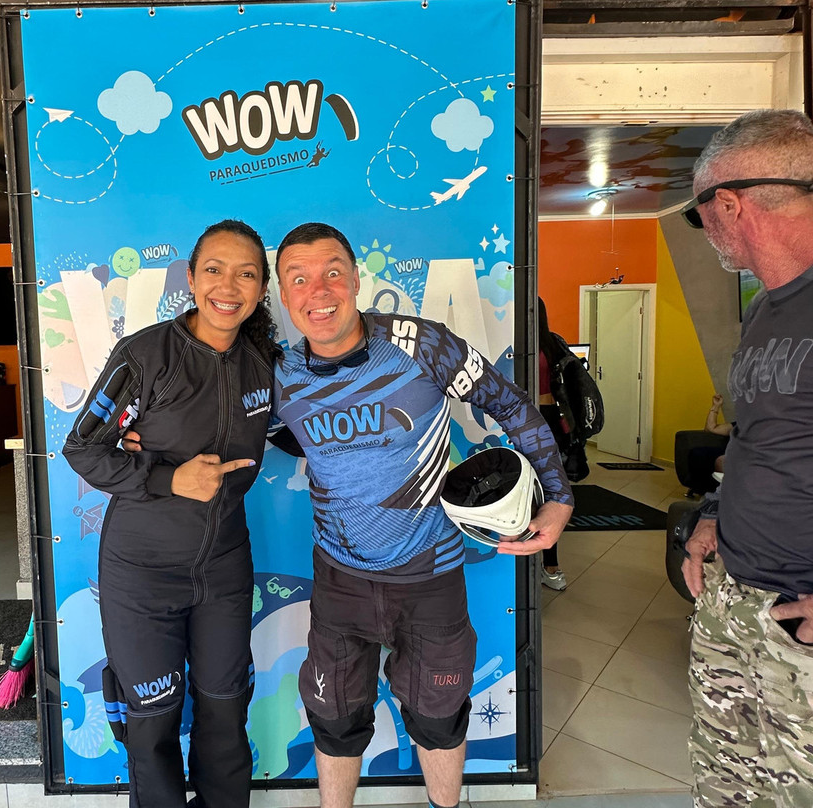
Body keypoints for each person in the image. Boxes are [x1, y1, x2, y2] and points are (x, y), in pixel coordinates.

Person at [270, 222, 573, 808]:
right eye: (298, 279)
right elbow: (271, 433)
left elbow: (509, 403)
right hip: (340, 577)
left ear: (356, 280)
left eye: (333, 272)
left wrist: (559, 497)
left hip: (431, 575)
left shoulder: (422, 344)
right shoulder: (280, 373)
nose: (319, 291)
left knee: (439, 716)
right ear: (284, 295)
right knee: (335, 718)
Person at [63, 220, 280, 808]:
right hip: (142, 573)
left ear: (262, 288)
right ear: (190, 277)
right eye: (213, 269)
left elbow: (297, 429)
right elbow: (83, 448)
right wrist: (168, 477)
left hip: (224, 570)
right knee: (152, 721)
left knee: (225, 711)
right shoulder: (144, 355)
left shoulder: (264, 362)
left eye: (246, 274)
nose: (227, 286)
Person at [679, 109, 813, 807]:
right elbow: (757, 434)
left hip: (800, 620)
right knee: (728, 783)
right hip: (737, 597)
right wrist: (713, 515)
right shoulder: (766, 308)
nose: (705, 233)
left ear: (728, 204)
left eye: (699, 216)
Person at [537, 297, 574, 590]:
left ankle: (548, 565)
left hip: (535, 420)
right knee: (548, 490)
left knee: (543, 491)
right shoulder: (551, 344)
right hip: (549, 420)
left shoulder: (533, 346)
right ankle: (550, 567)